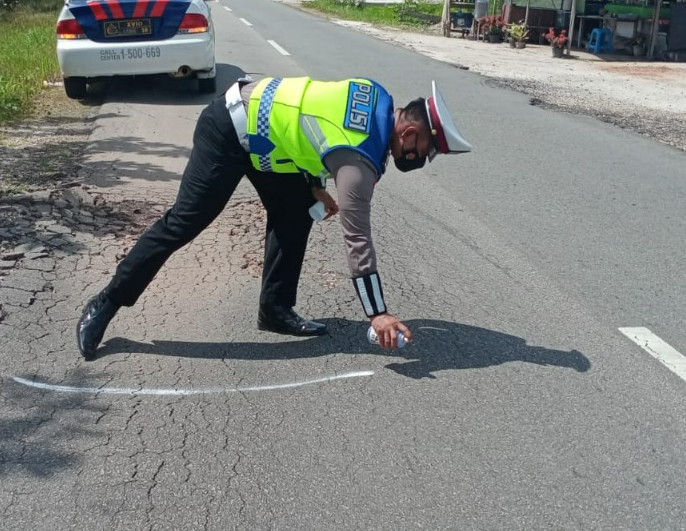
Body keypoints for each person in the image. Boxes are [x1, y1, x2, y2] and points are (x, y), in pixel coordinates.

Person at [75, 77, 473, 360]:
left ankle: (275, 309)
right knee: (185, 221)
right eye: (425, 149)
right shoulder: (359, 163)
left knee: (295, 211)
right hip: (229, 128)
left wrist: (314, 184)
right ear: (406, 135)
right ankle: (107, 302)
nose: (422, 159)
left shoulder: (378, 97)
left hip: (267, 142)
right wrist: (377, 313)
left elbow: (310, 128)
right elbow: (358, 240)